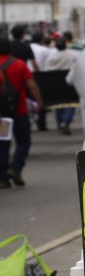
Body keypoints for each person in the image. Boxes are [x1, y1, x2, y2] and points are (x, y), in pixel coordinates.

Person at [0, 38, 44, 188]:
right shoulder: (19, 64)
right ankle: (15, 168)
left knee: (3, 143)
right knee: (23, 141)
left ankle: (2, 178)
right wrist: (39, 101)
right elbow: (32, 85)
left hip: (2, 115)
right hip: (19, 111)